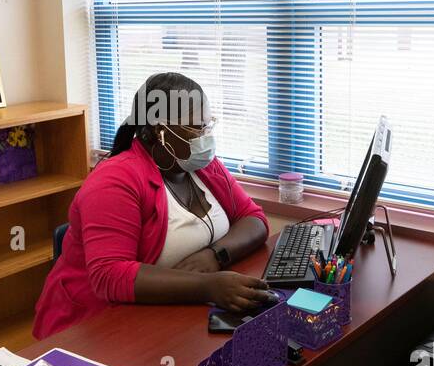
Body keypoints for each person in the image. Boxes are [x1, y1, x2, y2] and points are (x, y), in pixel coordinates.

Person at [33, 72, 271, 338]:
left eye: (208, 126)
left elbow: (254, 219)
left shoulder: (200, 163)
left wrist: (215, 256)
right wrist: (206, 286)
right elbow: (110, 276)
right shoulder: (114, 181)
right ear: (161, 131)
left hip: (171, 313)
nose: (205, 137)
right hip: (94, 327)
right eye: (196, 128)